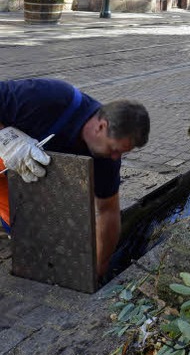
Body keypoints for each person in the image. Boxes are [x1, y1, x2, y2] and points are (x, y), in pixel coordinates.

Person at [0, 79, 150, 277]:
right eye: (114, 149)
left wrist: (97, 270)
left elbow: (108, 212)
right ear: (101, 126)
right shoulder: (49, 97)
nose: (116, 157)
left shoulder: (106, 160)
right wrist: (7, 138)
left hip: (21, 173)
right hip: (5, 150)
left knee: (26, 223)